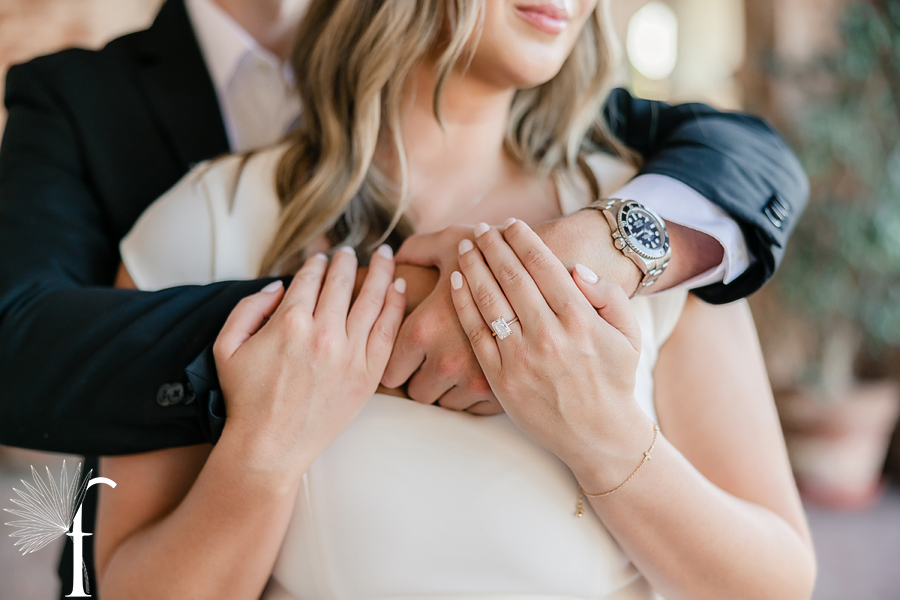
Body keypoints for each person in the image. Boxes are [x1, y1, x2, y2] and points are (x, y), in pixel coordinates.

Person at [0, 0, 806, 593]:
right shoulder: (196, 222)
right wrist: (264, 452)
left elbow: (775, 581)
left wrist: (605, 435)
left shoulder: (654, 227)